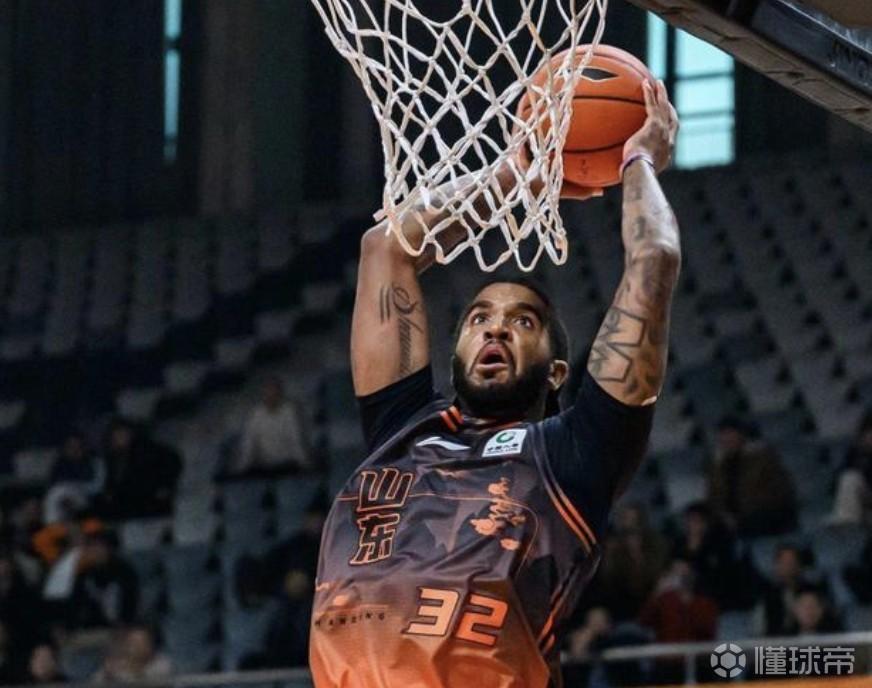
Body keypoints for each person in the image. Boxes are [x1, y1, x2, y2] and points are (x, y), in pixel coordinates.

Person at [309, 81, 681, 687]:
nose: (497, 328)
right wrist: (516, 176)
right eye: (479, 317)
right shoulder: (404, 427)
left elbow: (654, 258)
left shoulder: (575, 453)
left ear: (557, 372)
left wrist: (638, 158)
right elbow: (386, 246)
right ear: (456, 347)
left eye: (523, 321)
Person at [707, 415, 798, 537]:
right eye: (723, 434)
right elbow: (714, 497)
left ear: (741, 435)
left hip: (764, 516)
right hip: (732, 520)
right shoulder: (718, 465)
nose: (726, 438)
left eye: (730, 433)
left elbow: (780, 493)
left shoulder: (763, 459)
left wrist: (741, 516)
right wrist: (724, 515)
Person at [638, 557, 718, 685]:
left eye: (685, 572)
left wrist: (688, 605)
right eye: (677, 572)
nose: (682, 577)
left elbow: (708, 632)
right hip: (667, 663)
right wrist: (657, 592)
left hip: (697, 663)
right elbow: (643, 622)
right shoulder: (662, 600)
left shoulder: (705, 603)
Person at [227, 377, 313, 478]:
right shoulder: (256, 414)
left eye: (274, 392)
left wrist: (305, 464)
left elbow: (296, 440)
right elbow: (249, 443)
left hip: (287, 465)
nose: (271, 396)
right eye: (268, 392)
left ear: (280, 394)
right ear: (263, 394)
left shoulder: (289, 412)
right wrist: (241, 468)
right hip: (264, 467)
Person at [96, 419, 181, 520]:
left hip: (148, 500)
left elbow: (172, 460)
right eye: (116, 436)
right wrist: (109, 492)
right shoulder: (113, 457)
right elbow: (111, 480)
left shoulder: (146, 449)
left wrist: (166, 486)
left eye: (123, 434)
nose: (120, 438)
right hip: (126, 500)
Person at [753, 544, 822, 637]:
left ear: (799, 565)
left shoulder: (812, 590)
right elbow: (760, 628)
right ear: (776, 566)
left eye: (792, 561)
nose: (788, 566)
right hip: (776, 641)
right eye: (783, 562)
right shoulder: (767, 594)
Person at [43, 432, 105, 525]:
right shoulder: (60, 464)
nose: (75, 450)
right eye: (71, 447)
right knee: (55, 495)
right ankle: (53, 529)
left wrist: (75, 488)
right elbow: (52, 485)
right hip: (63, 500)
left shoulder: (94, 462)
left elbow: (97, 487)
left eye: (78, 446)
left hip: (88, 498)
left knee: (58, 494)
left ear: (84, 447)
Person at [828, 411, 872, 525]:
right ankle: (847, 522)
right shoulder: (856, 453)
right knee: (850, 479)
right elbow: (835, 483)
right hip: (863, 503)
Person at [93, 625, 172, 682]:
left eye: (140, 643)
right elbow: (95, 682)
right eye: (132, 642)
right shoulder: (114, 666)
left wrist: (132, 672)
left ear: (150, 646)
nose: (134, 647)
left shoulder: (161, 664)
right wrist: (108, 676)